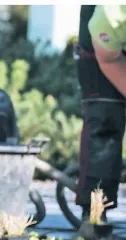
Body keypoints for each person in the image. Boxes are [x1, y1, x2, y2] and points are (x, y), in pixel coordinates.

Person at [76, 5, 126, 223]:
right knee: (105, 121)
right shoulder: (113, 12)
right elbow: (108, 58)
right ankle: (94, 215)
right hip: (102, 51)